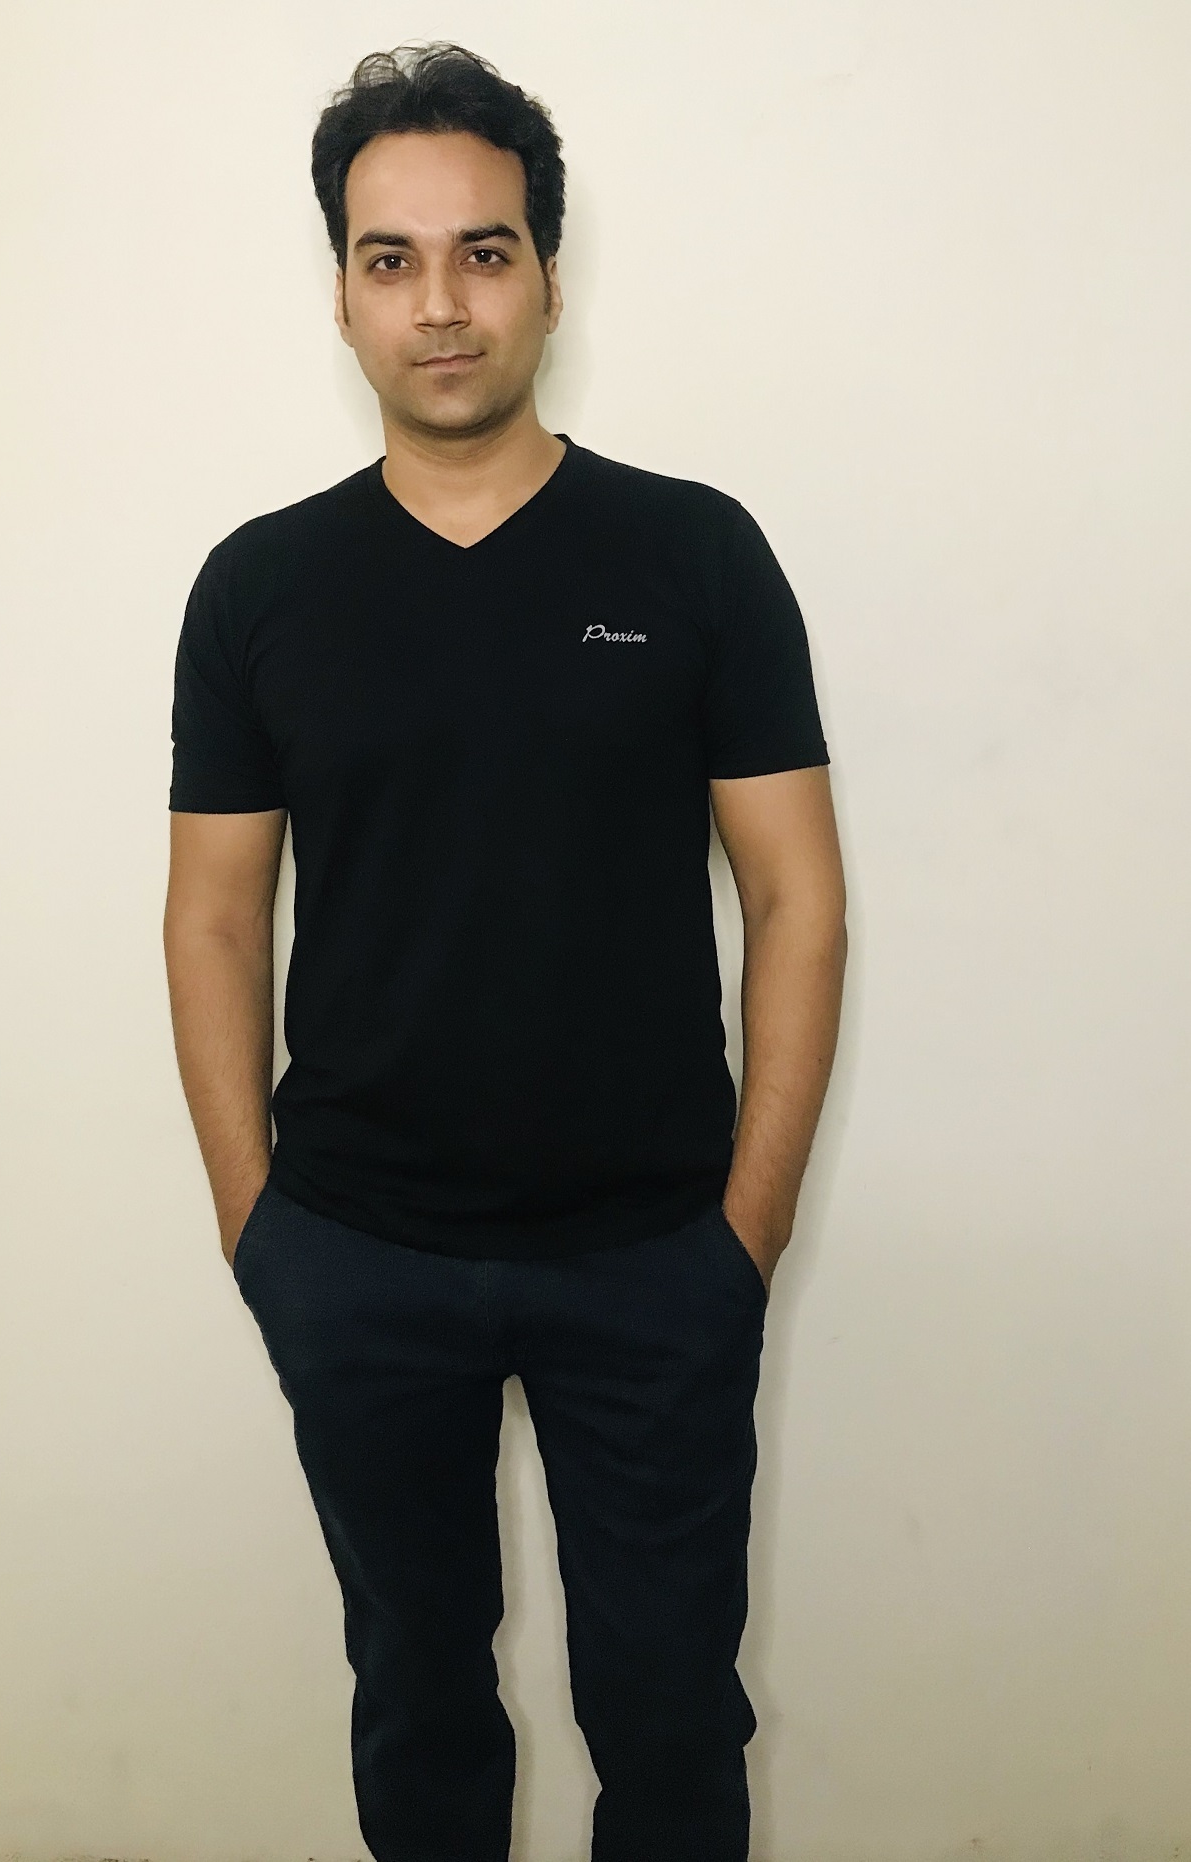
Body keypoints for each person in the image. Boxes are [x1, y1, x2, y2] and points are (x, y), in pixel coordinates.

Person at [162, 40, 846, 1862]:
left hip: (653, 1255)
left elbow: (796, 896)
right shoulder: (260, 587)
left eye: (483, 251)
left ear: (548, 272)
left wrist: (743, 1230)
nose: (441, 303)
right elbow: (213, 908)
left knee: (671, 1715)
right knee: (418, 1704)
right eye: (389, 259)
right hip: (358, 1251)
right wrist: (259, 1224)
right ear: (340, 292)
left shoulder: (694, 555)